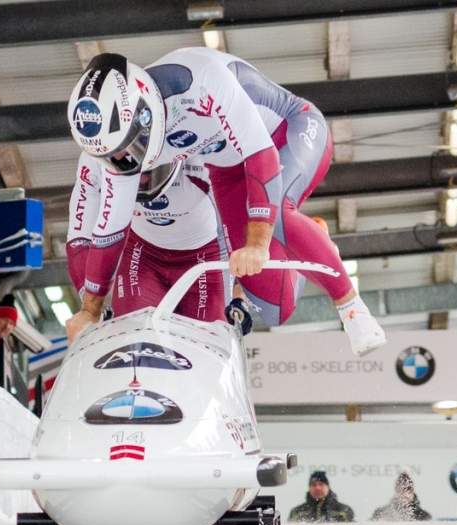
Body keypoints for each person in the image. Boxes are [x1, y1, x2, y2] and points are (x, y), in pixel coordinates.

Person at [64, 48, 386, 355]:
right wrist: (90, 310)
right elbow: (110, 231)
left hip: (286, 133)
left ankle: (352, 309)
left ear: (143, 113)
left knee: (278, 222)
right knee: (273, 305)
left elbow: (263, 156)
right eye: (112, 156)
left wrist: (258, 243)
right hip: (229, 167)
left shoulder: (199, 80)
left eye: (127, 147)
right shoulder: (121, 155)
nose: (124, 160)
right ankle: (312, 239)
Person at [67, 153, 308, 329]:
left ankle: (301, 249)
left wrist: (239, 293)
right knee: (134, 334)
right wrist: (90, 307)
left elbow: (236, 227)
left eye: (150, 176)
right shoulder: (95, 159)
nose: (143, 185)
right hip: (143, 255)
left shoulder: (205, 153)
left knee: (207, 343)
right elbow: (80, 238)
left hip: (206, 257)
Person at [288, 470, 355, 523]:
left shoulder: (343, 511)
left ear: (328, 487)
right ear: (309, 488)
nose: (318, 488)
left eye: (321, 484)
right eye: (314, 485)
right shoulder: (297, 512)